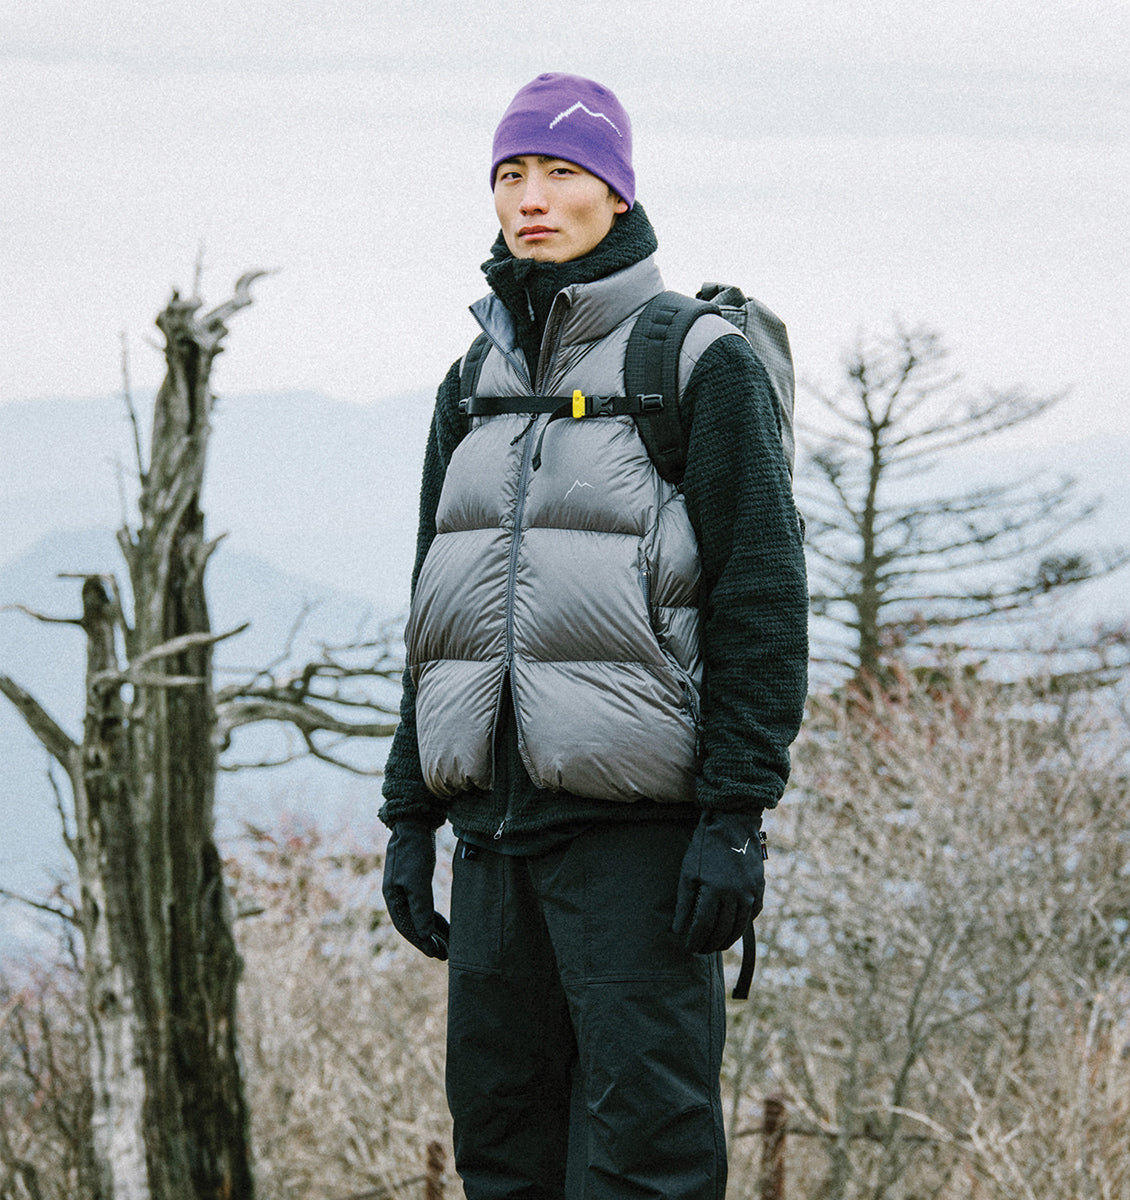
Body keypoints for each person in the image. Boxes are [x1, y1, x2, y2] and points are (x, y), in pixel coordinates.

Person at [380, 72, 808, 1200]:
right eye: (511, 173)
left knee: (648, 1152)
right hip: (496, 838)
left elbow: (760, 593)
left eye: (563, 171)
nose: (532, 195)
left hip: (639, 840)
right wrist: (408, 816)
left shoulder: (694, 359)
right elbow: (437, 614)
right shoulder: (470, 380)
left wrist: (736, 817)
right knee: (503, 1141)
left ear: (617, 193)